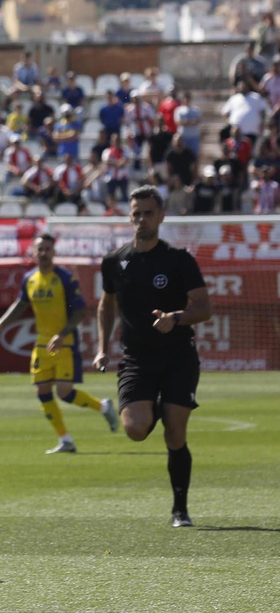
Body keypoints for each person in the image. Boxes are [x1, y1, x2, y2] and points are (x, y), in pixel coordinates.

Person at [94, 188, 212, 527]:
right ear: (129, 216)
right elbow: (106, 305)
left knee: (175, 434)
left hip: (178, 356)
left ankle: (180, 510)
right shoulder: (114, 260)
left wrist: (174, 318)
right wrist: (102, 348)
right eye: (136, 213)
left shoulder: (179, 259)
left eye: (148, 213)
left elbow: (204, 309)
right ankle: (160, 407)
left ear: (161, 216)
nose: (142, 219)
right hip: (136, 360)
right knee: (134, 429)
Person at [0, 233, 119, 454]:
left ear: (54, 252)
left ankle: (103, 406)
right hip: (41, 345)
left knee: (65, 393)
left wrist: (62, 334)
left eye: (48, 249)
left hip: (64, 344)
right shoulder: (29, 279)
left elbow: (79, 311)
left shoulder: (65, 278)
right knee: (43, 391)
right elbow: (21, 303)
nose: (44, 253)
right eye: (40, 249)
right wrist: (0, 323)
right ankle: (65, 439)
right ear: (33, 252)